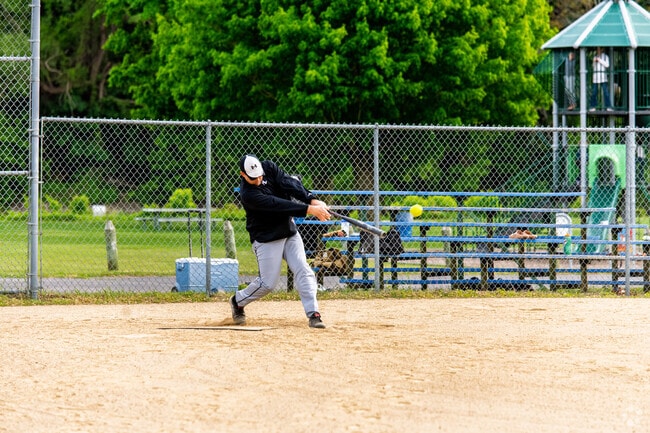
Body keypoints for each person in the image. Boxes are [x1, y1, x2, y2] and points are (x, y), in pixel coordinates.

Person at [230, 154, 331, 328]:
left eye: (260, 175)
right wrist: (310, 209)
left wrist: (311, 198)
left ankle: (314, 314)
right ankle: (237, 301)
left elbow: (289, 184)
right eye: (254, 178)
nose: (259, 179)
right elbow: (279, 205)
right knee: (268, 284)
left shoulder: (269, 167)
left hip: (289, 233)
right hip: (267, 238)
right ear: (243, 175)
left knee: (303, 268)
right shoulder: (249, 195)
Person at [589, 47, 612, 111]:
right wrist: (594, 61)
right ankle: (593, 106)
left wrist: (599, 60)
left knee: (606, 92)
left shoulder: (605, 57)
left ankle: (608, 106)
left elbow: (607, 65)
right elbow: (593, 66)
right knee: (594, 92)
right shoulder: (595, 57)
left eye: (599, 49)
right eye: (597, 49)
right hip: (596, 77)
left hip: (603, 77)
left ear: (602, 50)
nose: (598, 50)